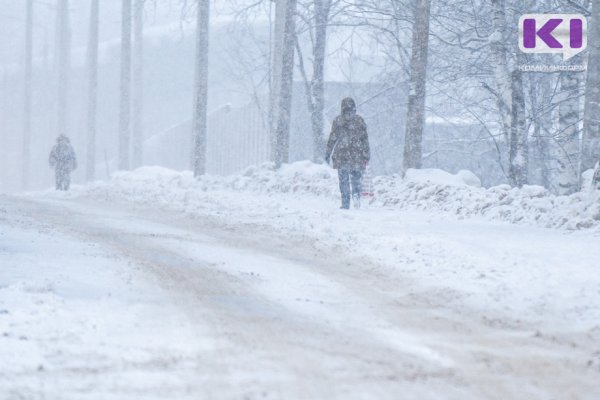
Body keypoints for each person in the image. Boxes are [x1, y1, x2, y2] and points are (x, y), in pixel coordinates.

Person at [325, 97, 370, 209]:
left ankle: (345, 203)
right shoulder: (359, 121)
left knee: (343, 180)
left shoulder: (338, 121)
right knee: (356, 178)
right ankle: (356, 195)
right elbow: (365, 139)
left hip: (342, 154)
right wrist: (366, 154)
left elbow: (332, 138)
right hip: (357, 154)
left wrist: (328, 153)